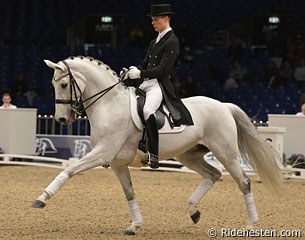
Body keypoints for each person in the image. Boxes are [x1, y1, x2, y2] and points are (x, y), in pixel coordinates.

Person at [127, 4, 194, 169]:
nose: (152, 22)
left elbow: (163, 69)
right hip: (145, 84)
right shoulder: (153, 41)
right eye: (152, 19)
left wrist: (140, 74)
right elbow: (145, 63)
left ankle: (153, 153)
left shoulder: (172, 41)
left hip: (159, 85)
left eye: (156, 19)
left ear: (166, 19)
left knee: (148, 110)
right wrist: (133, 71)